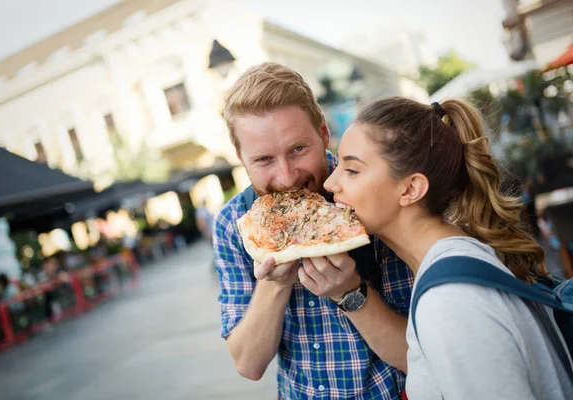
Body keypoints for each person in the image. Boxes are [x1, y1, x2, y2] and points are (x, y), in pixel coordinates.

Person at [324, 96, 573, 399]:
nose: (330, 183)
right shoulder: (452, 265)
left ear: (411, 188)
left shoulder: (450, 301)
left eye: (352, 170)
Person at [213, 62, 413, 399]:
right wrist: (274, 285)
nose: (288, 177)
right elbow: (249, 364)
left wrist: (352, 293)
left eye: (297, 150)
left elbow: (421, 354)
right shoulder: (235, 223)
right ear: (240, 157)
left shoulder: (371, 193)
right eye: (263, 160)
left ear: (323, 133)